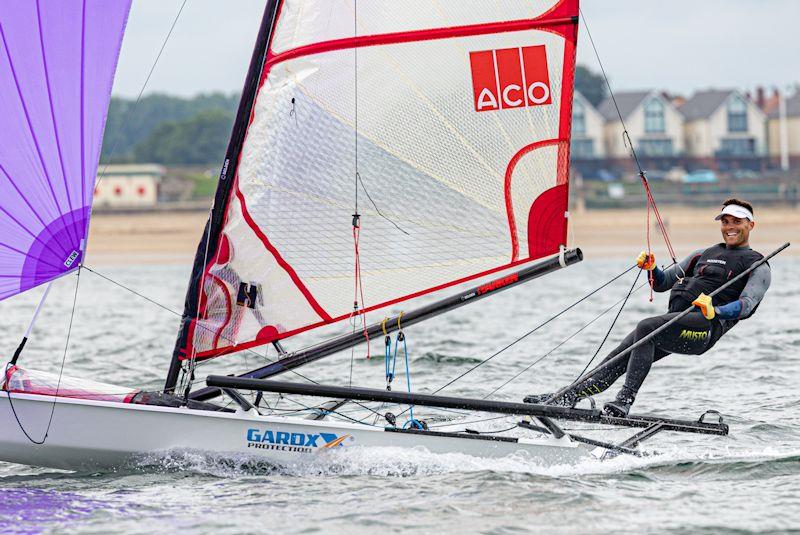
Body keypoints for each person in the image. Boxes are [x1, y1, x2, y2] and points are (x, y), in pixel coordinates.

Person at [524, 198, 771, 417]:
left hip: (704, 331)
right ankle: (567, 396)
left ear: (750, 225)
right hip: (676, 322)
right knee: (619, 356)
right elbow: (661, 283)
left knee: (645, 327)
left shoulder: (757, 265)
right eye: (725, 221)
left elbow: (747, 305)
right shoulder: (702, 254)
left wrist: (714, 311)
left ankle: (624, 401)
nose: (729, 227)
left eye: (736, 222)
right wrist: (651, 268)